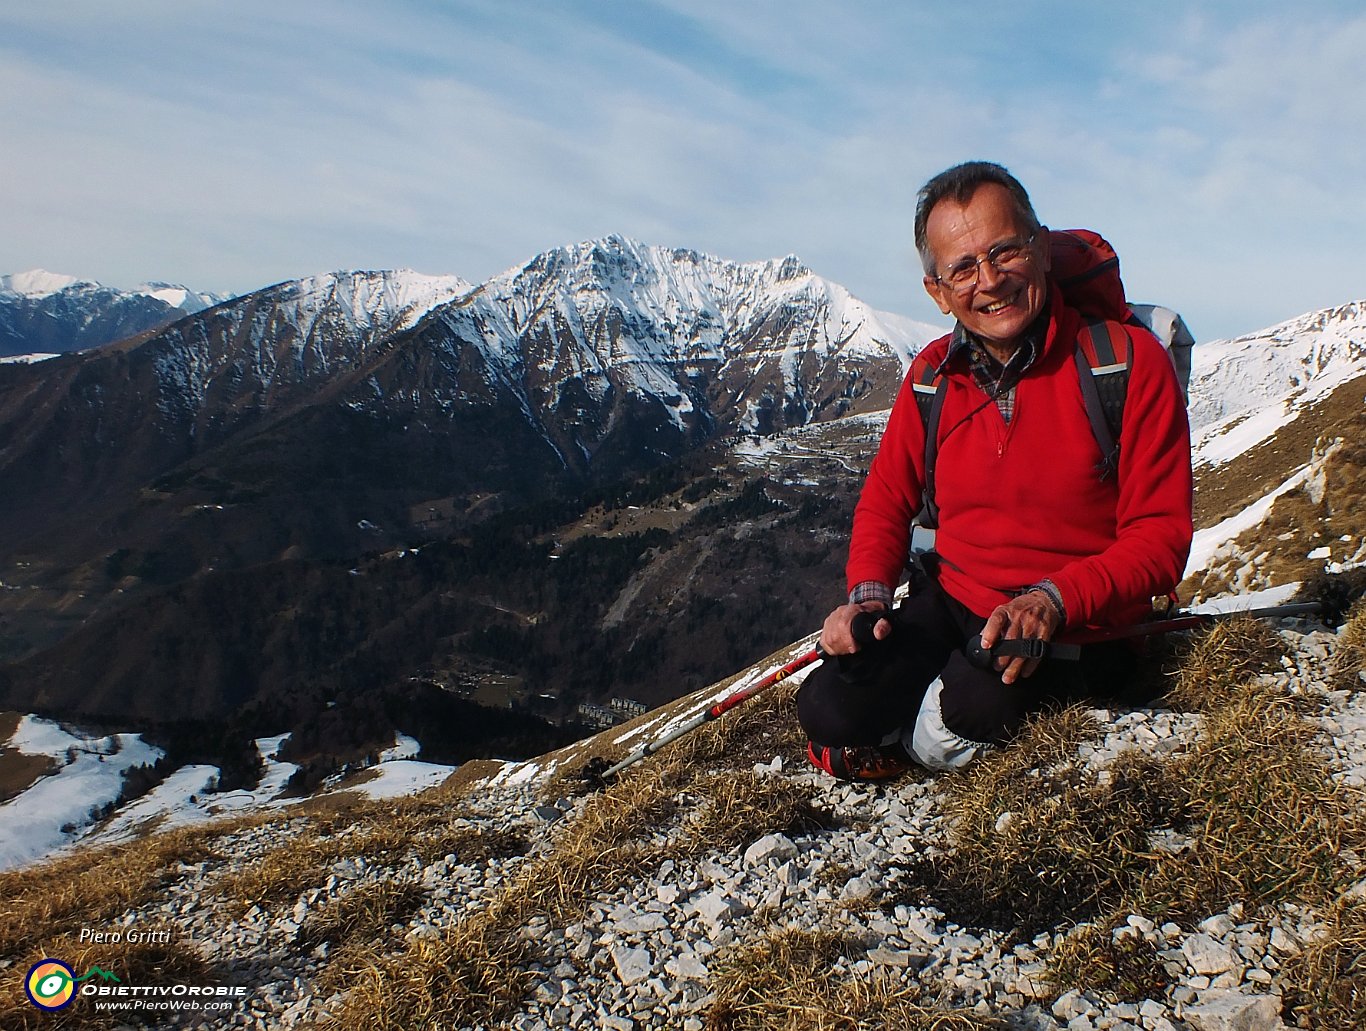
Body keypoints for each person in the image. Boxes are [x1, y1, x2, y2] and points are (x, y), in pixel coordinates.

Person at [798, 161, 1193, 780]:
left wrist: (1053, 599)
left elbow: (1160, 538)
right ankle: (909, 719)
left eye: (1004, 250)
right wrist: (867, 598)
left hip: (1077, 623)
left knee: (978, 704)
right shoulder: (932, 376)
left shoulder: (1125, 363)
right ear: (936, 290)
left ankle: (920, 740)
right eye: (962, 267)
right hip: (955, 597)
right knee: (827, 707)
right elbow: (885, 499)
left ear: (1040, 247)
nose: (990, 280)